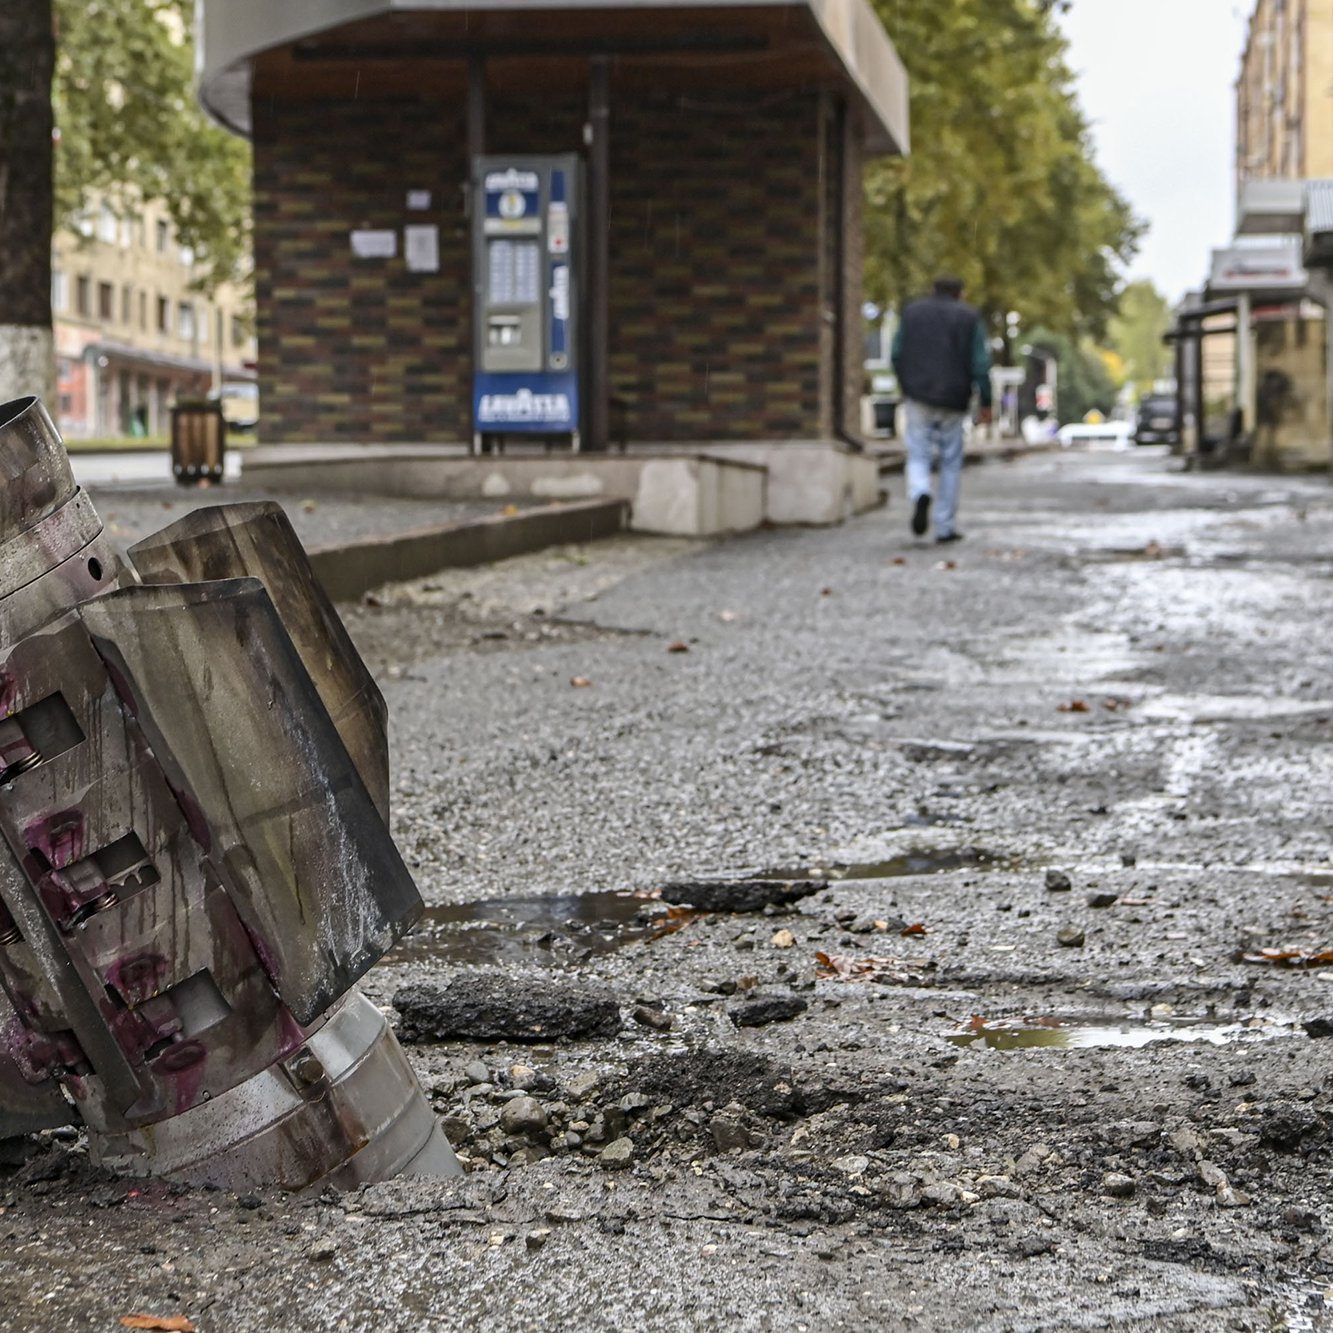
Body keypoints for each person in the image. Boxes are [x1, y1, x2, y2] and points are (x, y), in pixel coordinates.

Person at [891, 277, 993, 543]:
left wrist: (906, 385)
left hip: (918, 394)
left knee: (917, 453)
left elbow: (896, 353)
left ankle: (920, 491)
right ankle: (945, 526)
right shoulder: (969, 317)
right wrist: (986, 401)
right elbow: (980, 363)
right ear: (960, 293)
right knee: (950, 461)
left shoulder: (912, 312)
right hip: (954, 396)